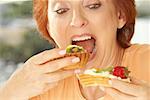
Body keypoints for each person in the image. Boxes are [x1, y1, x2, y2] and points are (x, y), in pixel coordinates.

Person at [0, 0, 149, 100]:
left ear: (120, 16)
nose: (77, 21)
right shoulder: (37, 88)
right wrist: (9, 92)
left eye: (92, 6)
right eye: (61, 10)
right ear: (48, 27)